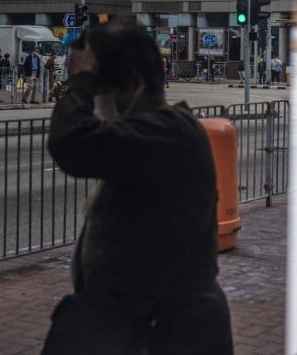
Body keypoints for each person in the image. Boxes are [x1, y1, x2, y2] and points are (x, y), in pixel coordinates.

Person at [42, 24, 233, 354]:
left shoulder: (171, 133)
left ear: (134, 86)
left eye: (101, 94)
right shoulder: (159, 131)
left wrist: (83, 79)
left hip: (170, 332)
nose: (97, 107)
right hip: (133, 322)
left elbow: (70, 143)